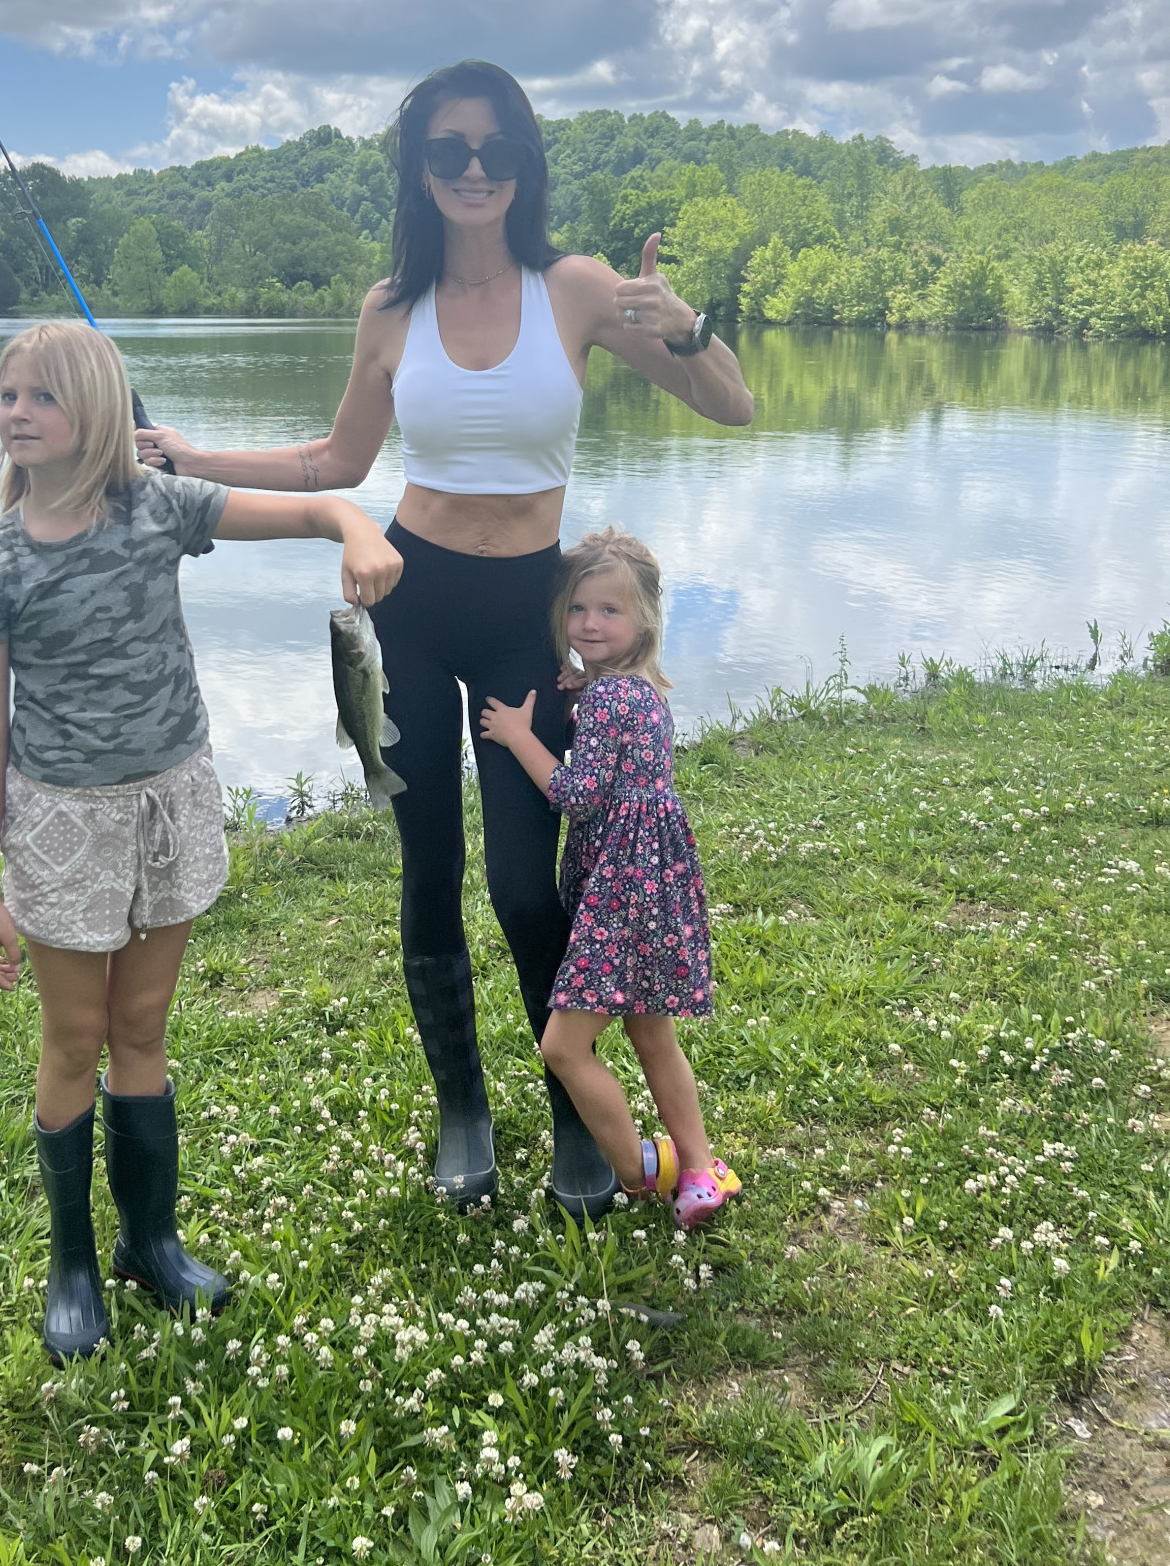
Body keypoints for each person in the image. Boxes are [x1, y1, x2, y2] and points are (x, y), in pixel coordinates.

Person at [135, 59, 753, 1219]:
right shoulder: (390, 306)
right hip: (409, 608)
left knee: (524, 882)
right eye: (449, 149)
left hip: (527, 617)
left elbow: (733, 405)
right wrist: (189, 455)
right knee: (429, 870)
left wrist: (686, 329)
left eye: (496, 147)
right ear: (419, 168)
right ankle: (462, 1109)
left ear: (524, 164)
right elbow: (334, 460)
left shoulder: (575, 288)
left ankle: (572, 1119)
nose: (475, 168)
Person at [0, 321, 401, 1360]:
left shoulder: (162, 507)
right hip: (62, 822)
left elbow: (317, 505)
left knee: (142, 1026)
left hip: (170, 802)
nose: (18, 413)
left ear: (99, 410)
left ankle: (150, 1242)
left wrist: (354, 528)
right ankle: (72, 1263)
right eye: (8, 395)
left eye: (44, 396)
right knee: (74, 1038)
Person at [479, 527, 740, 1226]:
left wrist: (520, 736)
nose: (589, 623)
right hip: (655, 884)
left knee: (564, 1046)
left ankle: (639, 1169)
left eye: (609, 611)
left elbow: (579, 795)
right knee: (653, 1034)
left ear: (644, 619)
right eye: (577, 608)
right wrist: (581, 692)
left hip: (622, 893)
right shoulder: (638, 690)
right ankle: (703, 1168)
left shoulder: (608, 700)